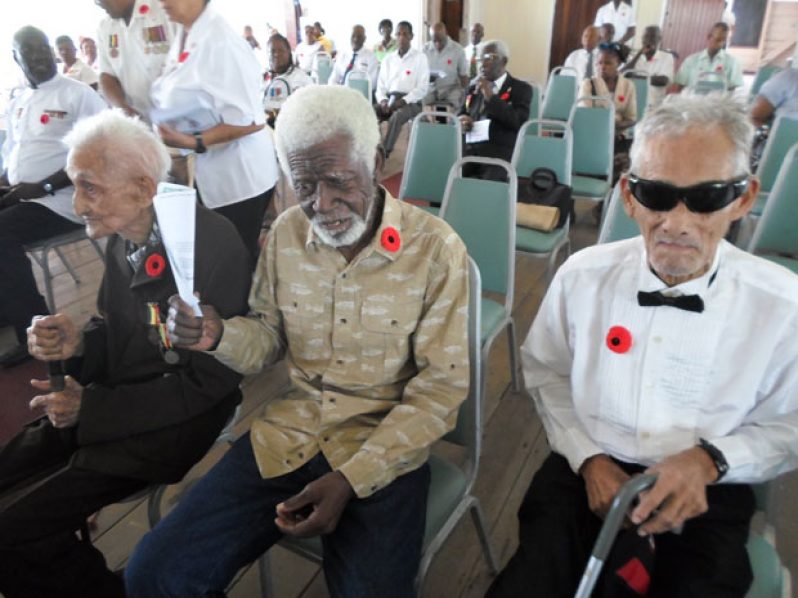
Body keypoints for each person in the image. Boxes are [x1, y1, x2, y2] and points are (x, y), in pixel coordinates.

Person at [125, 85, 470, 598]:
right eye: (304, 185)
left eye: (338, 182)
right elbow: (266, 340)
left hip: (385, 452)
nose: (322, 205)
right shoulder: (286, 235)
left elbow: (439, 393)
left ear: (375, 162)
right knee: (153, 573)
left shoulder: (435, 250)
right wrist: (219, 335)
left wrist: (352, 478)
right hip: (289, 437)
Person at [487, 93, 798, 598]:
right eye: (656, 193)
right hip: (586, 469)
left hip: (708, 488)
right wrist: (589, 459)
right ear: (628, 195)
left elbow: (792, 422)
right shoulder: (581, 276)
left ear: (742, 198)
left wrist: (711, 461)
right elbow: (546, 372)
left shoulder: (783, 304)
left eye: (706, 197)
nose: (675, 222)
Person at [0, 109, 251, 598]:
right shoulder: (128, 236)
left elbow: (209, 384)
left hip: (171, 425)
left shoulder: (209, 244)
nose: (77, 204)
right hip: (114, 403)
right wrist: (78, 344)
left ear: (142, 188)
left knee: (10, 533)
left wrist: (91, 407)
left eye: (89, 187)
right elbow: (116, 330)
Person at [0, 26, 107, 368]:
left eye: (43, 48)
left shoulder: (77, 94)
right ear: (16, 58)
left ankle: (35, 330)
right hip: (23, 197)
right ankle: (9, 310)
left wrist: (43, 186)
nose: (40, 56)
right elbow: (12, 157)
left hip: (61, 199)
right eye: (29, 52)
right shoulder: (18, 101)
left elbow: (99, 152)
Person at [150, 0, 279, 264]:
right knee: (226, 254)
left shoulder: (221, 41)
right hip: (212, 170)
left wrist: (192, 140)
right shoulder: (186, 34)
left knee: (236, 258)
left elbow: (250, 119)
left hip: (240, 178)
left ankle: (247, 304)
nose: (161, 2)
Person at [458, 40, 532, 179]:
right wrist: (462, 120)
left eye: (489, 58)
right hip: (470, 151)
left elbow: (518, 122)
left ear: (504, 61)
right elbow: (461, 114)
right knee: (443, 175)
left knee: (486, 186)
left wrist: (491, 97)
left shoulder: (521, 89)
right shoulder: (474, 88)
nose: (482, 64)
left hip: (499, 154)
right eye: (481, 59)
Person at [96, 0, 175, 121]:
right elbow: (107, 75)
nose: (98, 3)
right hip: (140, 122)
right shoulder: (105, 27)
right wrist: (121, 107)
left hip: (181, 116)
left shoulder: (165, 11)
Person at [375, 21, 430, 158]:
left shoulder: (420, 58)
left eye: (405, 34)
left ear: (411, 36)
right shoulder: (388, 59)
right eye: (398, 34)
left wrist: (404, 101)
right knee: (371, 111)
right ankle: (370, 149)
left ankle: (385, 152)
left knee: (397, 116)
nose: (401, 37)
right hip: (390, 98)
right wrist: (383, 101)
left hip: (411, 102)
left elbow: (422, 88)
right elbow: (380, 86)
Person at [580, 43, 637, 144]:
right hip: (593, 135)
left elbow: (631, 118)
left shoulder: (628, 85)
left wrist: (615, 127)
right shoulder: (588, 84)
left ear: (618, 63)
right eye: (600, 63)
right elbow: (585, 117)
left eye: (608, 63)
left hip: (619, 136)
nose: (602, 67)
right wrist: (608, 125)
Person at [671, 22, 743, 92]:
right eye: (718, 39)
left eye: (724, 40)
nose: (721, 44)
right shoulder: (691, 61)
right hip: (693, 103)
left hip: (718, 103)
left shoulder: (732, 63)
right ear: (709, 37)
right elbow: (680, 87)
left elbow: (731, 90)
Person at [263, 33, 313, 127]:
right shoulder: (264, 78)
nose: (276, 54)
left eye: (281, 50)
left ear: (289, 52)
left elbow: (306, 113)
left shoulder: (301, 79)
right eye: (272, 51)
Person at [623, 25, 674, 109]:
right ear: (642, 39)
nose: (648, 40)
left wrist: (635, 77)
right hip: (632, 104)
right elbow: (623, 75)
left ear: (659, 39)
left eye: (653, 37)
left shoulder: (667, 57)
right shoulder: (634, 57)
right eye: (646, 37)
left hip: (654, 106)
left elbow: (663, 81)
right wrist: (639, 53)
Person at [423, 22, 469, 112]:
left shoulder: (458, 50)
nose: (437, 44)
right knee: (424, 106)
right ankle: (428, 123)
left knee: (443, 113)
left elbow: (463, 76)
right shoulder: (425, 50)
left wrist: (464, 91)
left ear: (446, 34)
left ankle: (443, 122)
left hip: (450, 89)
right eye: (434, 40)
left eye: (440, 40)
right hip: (431, 89)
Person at [329, 24, 378, 91]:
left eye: (359, 37)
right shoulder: (342, 54)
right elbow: (333, 79)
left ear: (364, 39)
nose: (355, 39)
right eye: (353, 36)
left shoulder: (371, 57)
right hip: (341, 93)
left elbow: (372, 84)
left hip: (360, 95)